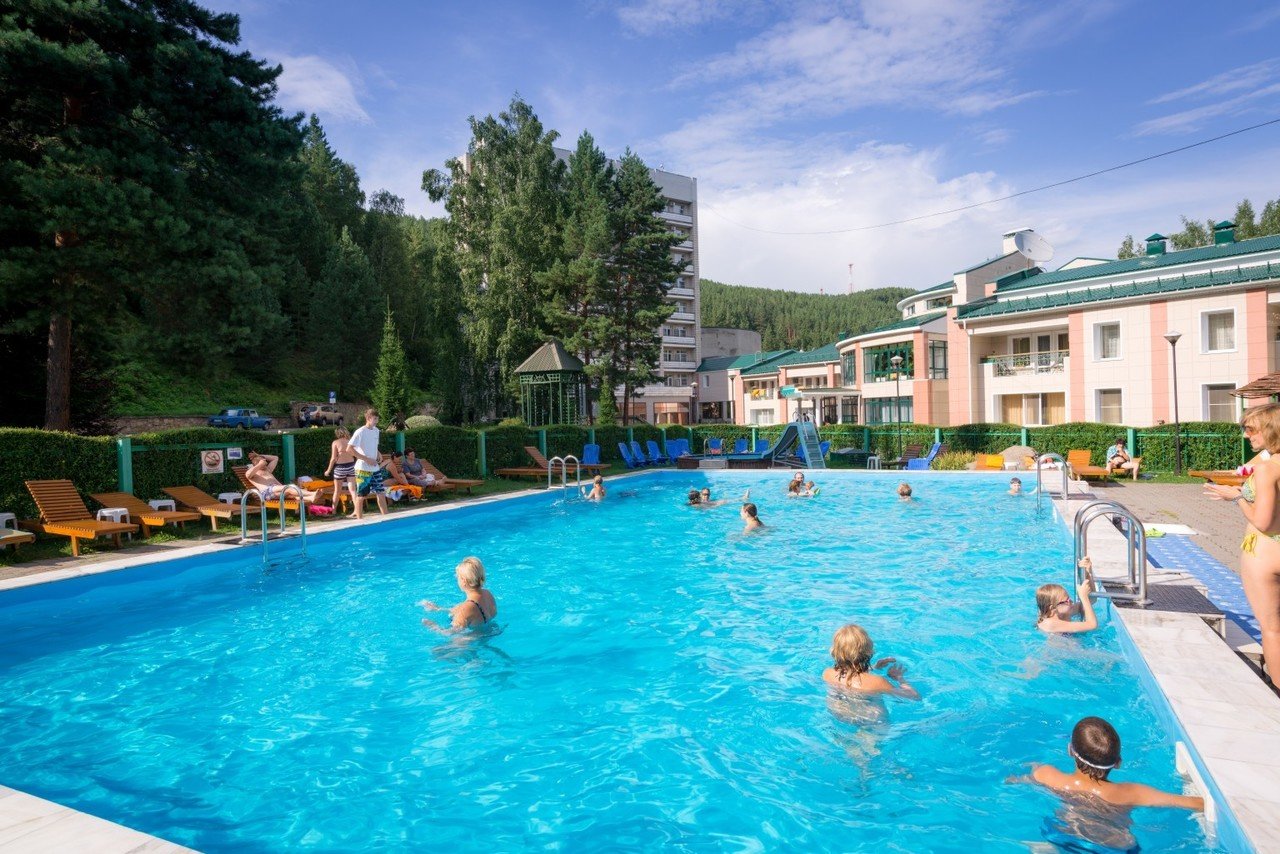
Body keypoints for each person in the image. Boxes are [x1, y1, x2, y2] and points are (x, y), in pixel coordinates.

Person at [1204, 402, 1280, 681]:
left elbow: (1263, 522)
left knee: (1272, 630)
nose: (1246, 435)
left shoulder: (1268, 469)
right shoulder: (1266, 462)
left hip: (1265, 552)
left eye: (1251, 429)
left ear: (1271, 429)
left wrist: (1236, 496)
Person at [1026, 716, 1203, 811]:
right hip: (1113, 848)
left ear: (1070, 750)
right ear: (1118, 763)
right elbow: (1194, 804)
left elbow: (1020, 779)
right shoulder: (1132, 793)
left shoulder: (1046, 775)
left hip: (1064, 839)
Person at [822, 623, 920, 700]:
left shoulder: (827, 674)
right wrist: (899, 678)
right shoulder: (877, 682)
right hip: (870, 718)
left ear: (835, 651)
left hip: (838, 715)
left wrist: (874, 667)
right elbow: (914, 696)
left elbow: (851, 675)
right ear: (868, 650)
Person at [418, 556, 497, 633]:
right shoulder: (488, 594)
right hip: (492, 632)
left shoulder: (465, 609)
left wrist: (433, 626)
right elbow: (473, 612)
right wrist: (439, 609)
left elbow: (449, 633)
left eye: (458, 577)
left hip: (470, 640)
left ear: (464, 581)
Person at [1036, 558, 1099, 634]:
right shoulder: (1049, 624)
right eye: (1067, 601)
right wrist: (1083, 596)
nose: (1071, 602)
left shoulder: (1064, 612)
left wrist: (1088, 573)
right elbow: (1092, 625)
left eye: (1069, 599)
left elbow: (1092, 599)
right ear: (1052, 608)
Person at [348, 408, 388, 519]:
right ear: (368, 418)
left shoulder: (376, 431)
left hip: (375, 468)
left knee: (381, 493)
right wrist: (366, 459)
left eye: (377, 419)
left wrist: (378, 453)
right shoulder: (360, 432)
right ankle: (360, 520)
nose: (376, 421)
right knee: (361, 496)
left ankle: (387, 519)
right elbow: (349, 449)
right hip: (363, 469)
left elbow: (374, 446)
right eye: (375, 419)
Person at [244, 452, 322, 502]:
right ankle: (312, 493)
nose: (266, 463)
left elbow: (275, 458)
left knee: (291, 493)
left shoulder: (268, 470)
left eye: (265, 462)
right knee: (290, 488)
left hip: (275, 490)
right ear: (257, 464)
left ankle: (311, 498)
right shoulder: (253, 473)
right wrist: (259, 464)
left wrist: (260, 455)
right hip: (267, 491)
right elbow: (248, 475)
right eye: (263, 462)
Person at [324, 427, 358, 514]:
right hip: (351, 466)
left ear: (337, 433)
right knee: (353, 490)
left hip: (340, 467)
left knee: (337, 491)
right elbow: (356, 454)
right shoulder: (350, 441)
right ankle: (357, 510)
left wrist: (328, 470)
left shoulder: (335, 443)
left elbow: (333, 458)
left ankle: (333, 511)